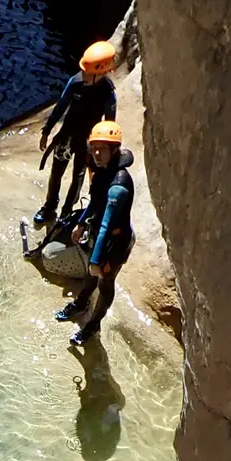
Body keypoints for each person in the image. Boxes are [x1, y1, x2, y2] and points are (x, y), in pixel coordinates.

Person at [59, 120, 136, 346]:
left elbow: (107, 223)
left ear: (114, 150)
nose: (96, 153)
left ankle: (93, 325)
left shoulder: (119, 184)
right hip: (102, 236)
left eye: (102, 148)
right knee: (90, 275)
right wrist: (81, 224)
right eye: (94, 148)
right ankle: (82, 302)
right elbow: (95, 202)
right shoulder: (103, 172)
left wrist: (95, 259)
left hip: (116, 242)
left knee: (104, 282)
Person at [35, 41, 119, 226]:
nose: (85, 74)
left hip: (87, 141)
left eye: (89, 72)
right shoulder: (75, 82)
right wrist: (47, 130)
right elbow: (61, 107)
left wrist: (104, 150)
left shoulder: (107, 92)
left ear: (101, 72)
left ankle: (66, 212)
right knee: (56, 173)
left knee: (78, 176)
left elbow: (110, 123)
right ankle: (50, 206)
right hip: (67, 135)